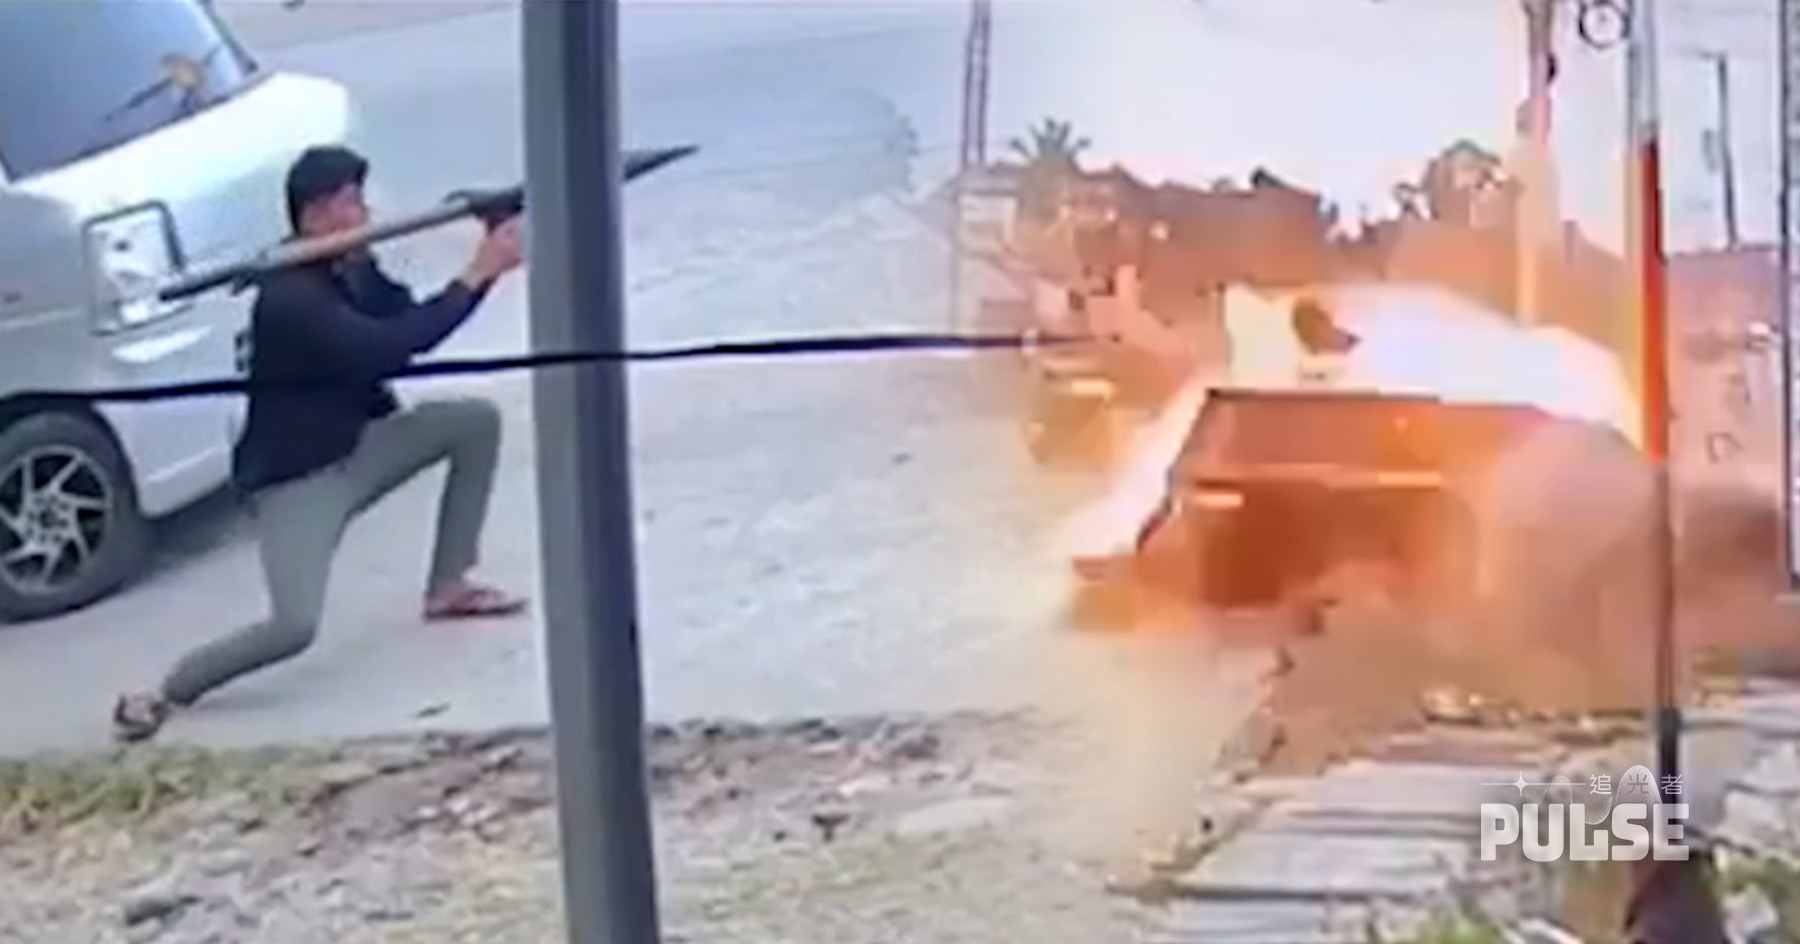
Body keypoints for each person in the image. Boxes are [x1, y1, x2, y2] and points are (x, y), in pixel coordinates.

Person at [112, 145, 527, 742]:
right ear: (313, 218)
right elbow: (389, 349)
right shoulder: (289, 300)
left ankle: (449, 585)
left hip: (362, 445)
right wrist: (479, 271)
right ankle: (167, 691)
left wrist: (486, 248)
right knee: (293, 626)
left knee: (473, 421)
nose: (364, 215)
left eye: (361, 201)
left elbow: (407, 316)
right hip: (300, 484)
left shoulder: (349, 267)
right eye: (349, 204)